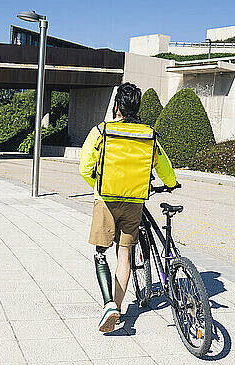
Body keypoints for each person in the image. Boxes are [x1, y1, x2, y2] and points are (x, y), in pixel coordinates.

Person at [79, 82, 178, 333]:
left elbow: (84, 168)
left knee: (101, 253)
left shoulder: (101, 131)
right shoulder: (149, 135)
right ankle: (119, 309)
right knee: (124, 255)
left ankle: (108, 304)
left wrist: (98, 185)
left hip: (106, 200)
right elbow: (163, 167)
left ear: (116, 107)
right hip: (135, 202)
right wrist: (171, 183)